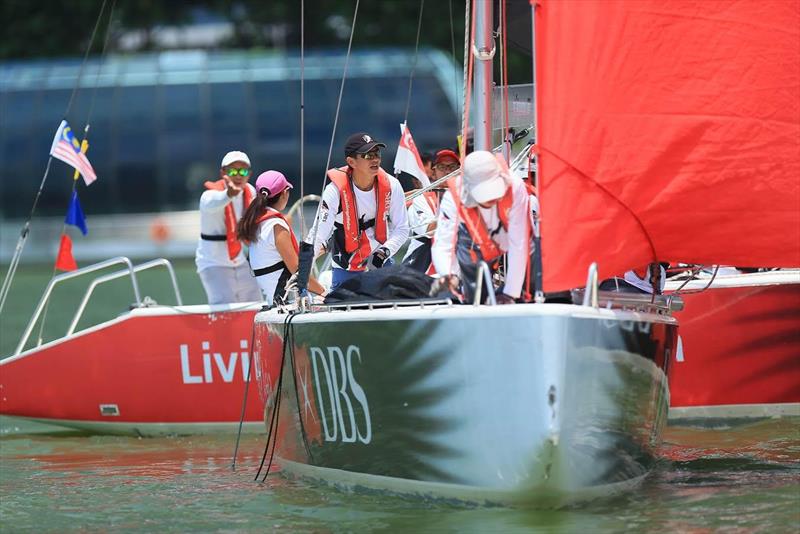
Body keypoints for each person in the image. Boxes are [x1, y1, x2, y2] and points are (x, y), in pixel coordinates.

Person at [307, 132, 409, 289]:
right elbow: (318, 235)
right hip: (345, 269)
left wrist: (383, 252)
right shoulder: (334, 191)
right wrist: (302, 274)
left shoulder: (392, 186)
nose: (375, 159)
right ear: (351, 162)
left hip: (381, 264)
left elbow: (402, 229)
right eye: (368, 155)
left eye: (377, 154)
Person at [431, 150, 532, 304]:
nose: (491, 197)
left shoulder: (515, 186)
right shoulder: (453, 197)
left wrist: (510, 294)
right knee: (475, 296)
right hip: (474, 241)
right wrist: (447, 274)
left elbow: (519, 242)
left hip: (509, 233)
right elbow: (443, 243)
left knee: (527, 280)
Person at [237, 171, 325, 306]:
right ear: (284, 193)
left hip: (273, 300)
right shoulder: (276, 225)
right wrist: (324, 293)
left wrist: (322, 249)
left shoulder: (257, 222)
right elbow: (297, 272)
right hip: (287, 301)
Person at [195, 150, 261, 304]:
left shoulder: (250, 192)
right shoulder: (209, 195)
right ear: (223, 172)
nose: (238, 175)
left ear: (249, 174)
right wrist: (229, 194)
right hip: (213, 262)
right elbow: (214, 203)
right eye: (233, 171)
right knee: (224, 307)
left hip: (239, 260)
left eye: (243, 171)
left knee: (255, 304)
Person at [402, 149, 460, 273]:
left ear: (459, 171)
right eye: (442, 167)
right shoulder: (422, 198)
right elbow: (429, 230)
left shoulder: (467, 196)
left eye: (452, 167)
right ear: (433, 173)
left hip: (457, 269)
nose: (448, 171)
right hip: (423, 271)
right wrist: (459, 213)